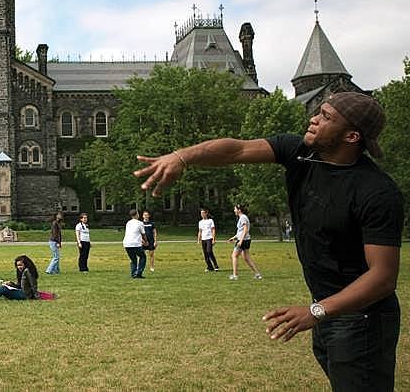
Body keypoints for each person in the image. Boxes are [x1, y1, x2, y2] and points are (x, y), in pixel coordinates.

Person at [133, 92, 404, 390]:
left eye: (326, 117)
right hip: (328, 311)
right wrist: (181, 156)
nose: (313, 119)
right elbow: (234, 150)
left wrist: (316, 311)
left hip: (362, 320)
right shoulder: (301, 153)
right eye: (318, 111)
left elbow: (382, 278)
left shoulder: (376, 193)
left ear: (351, 136)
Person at [227, 204, 262, 280]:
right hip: (245, 239)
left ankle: (235, 275)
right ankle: (257, 274)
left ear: (239, 210)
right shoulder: (242, 217)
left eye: (235, 209)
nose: (234, 211)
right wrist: (234, 238)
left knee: (234, 256)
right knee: (246, 258)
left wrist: (240, 241)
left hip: (243, 240)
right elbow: (241, 231)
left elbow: (245, 230)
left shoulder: (243, 217)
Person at [122, 209, 147, 278]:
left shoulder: (128, 223)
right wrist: (146, 242)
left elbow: (132, 233)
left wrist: (141, 240)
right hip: (135, 244)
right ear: (136, 215)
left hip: (127, 244)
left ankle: (133, 274)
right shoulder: (140, 223)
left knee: (133, 259)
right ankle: (138, 273)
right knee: (143, 257)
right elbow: (143, 234)